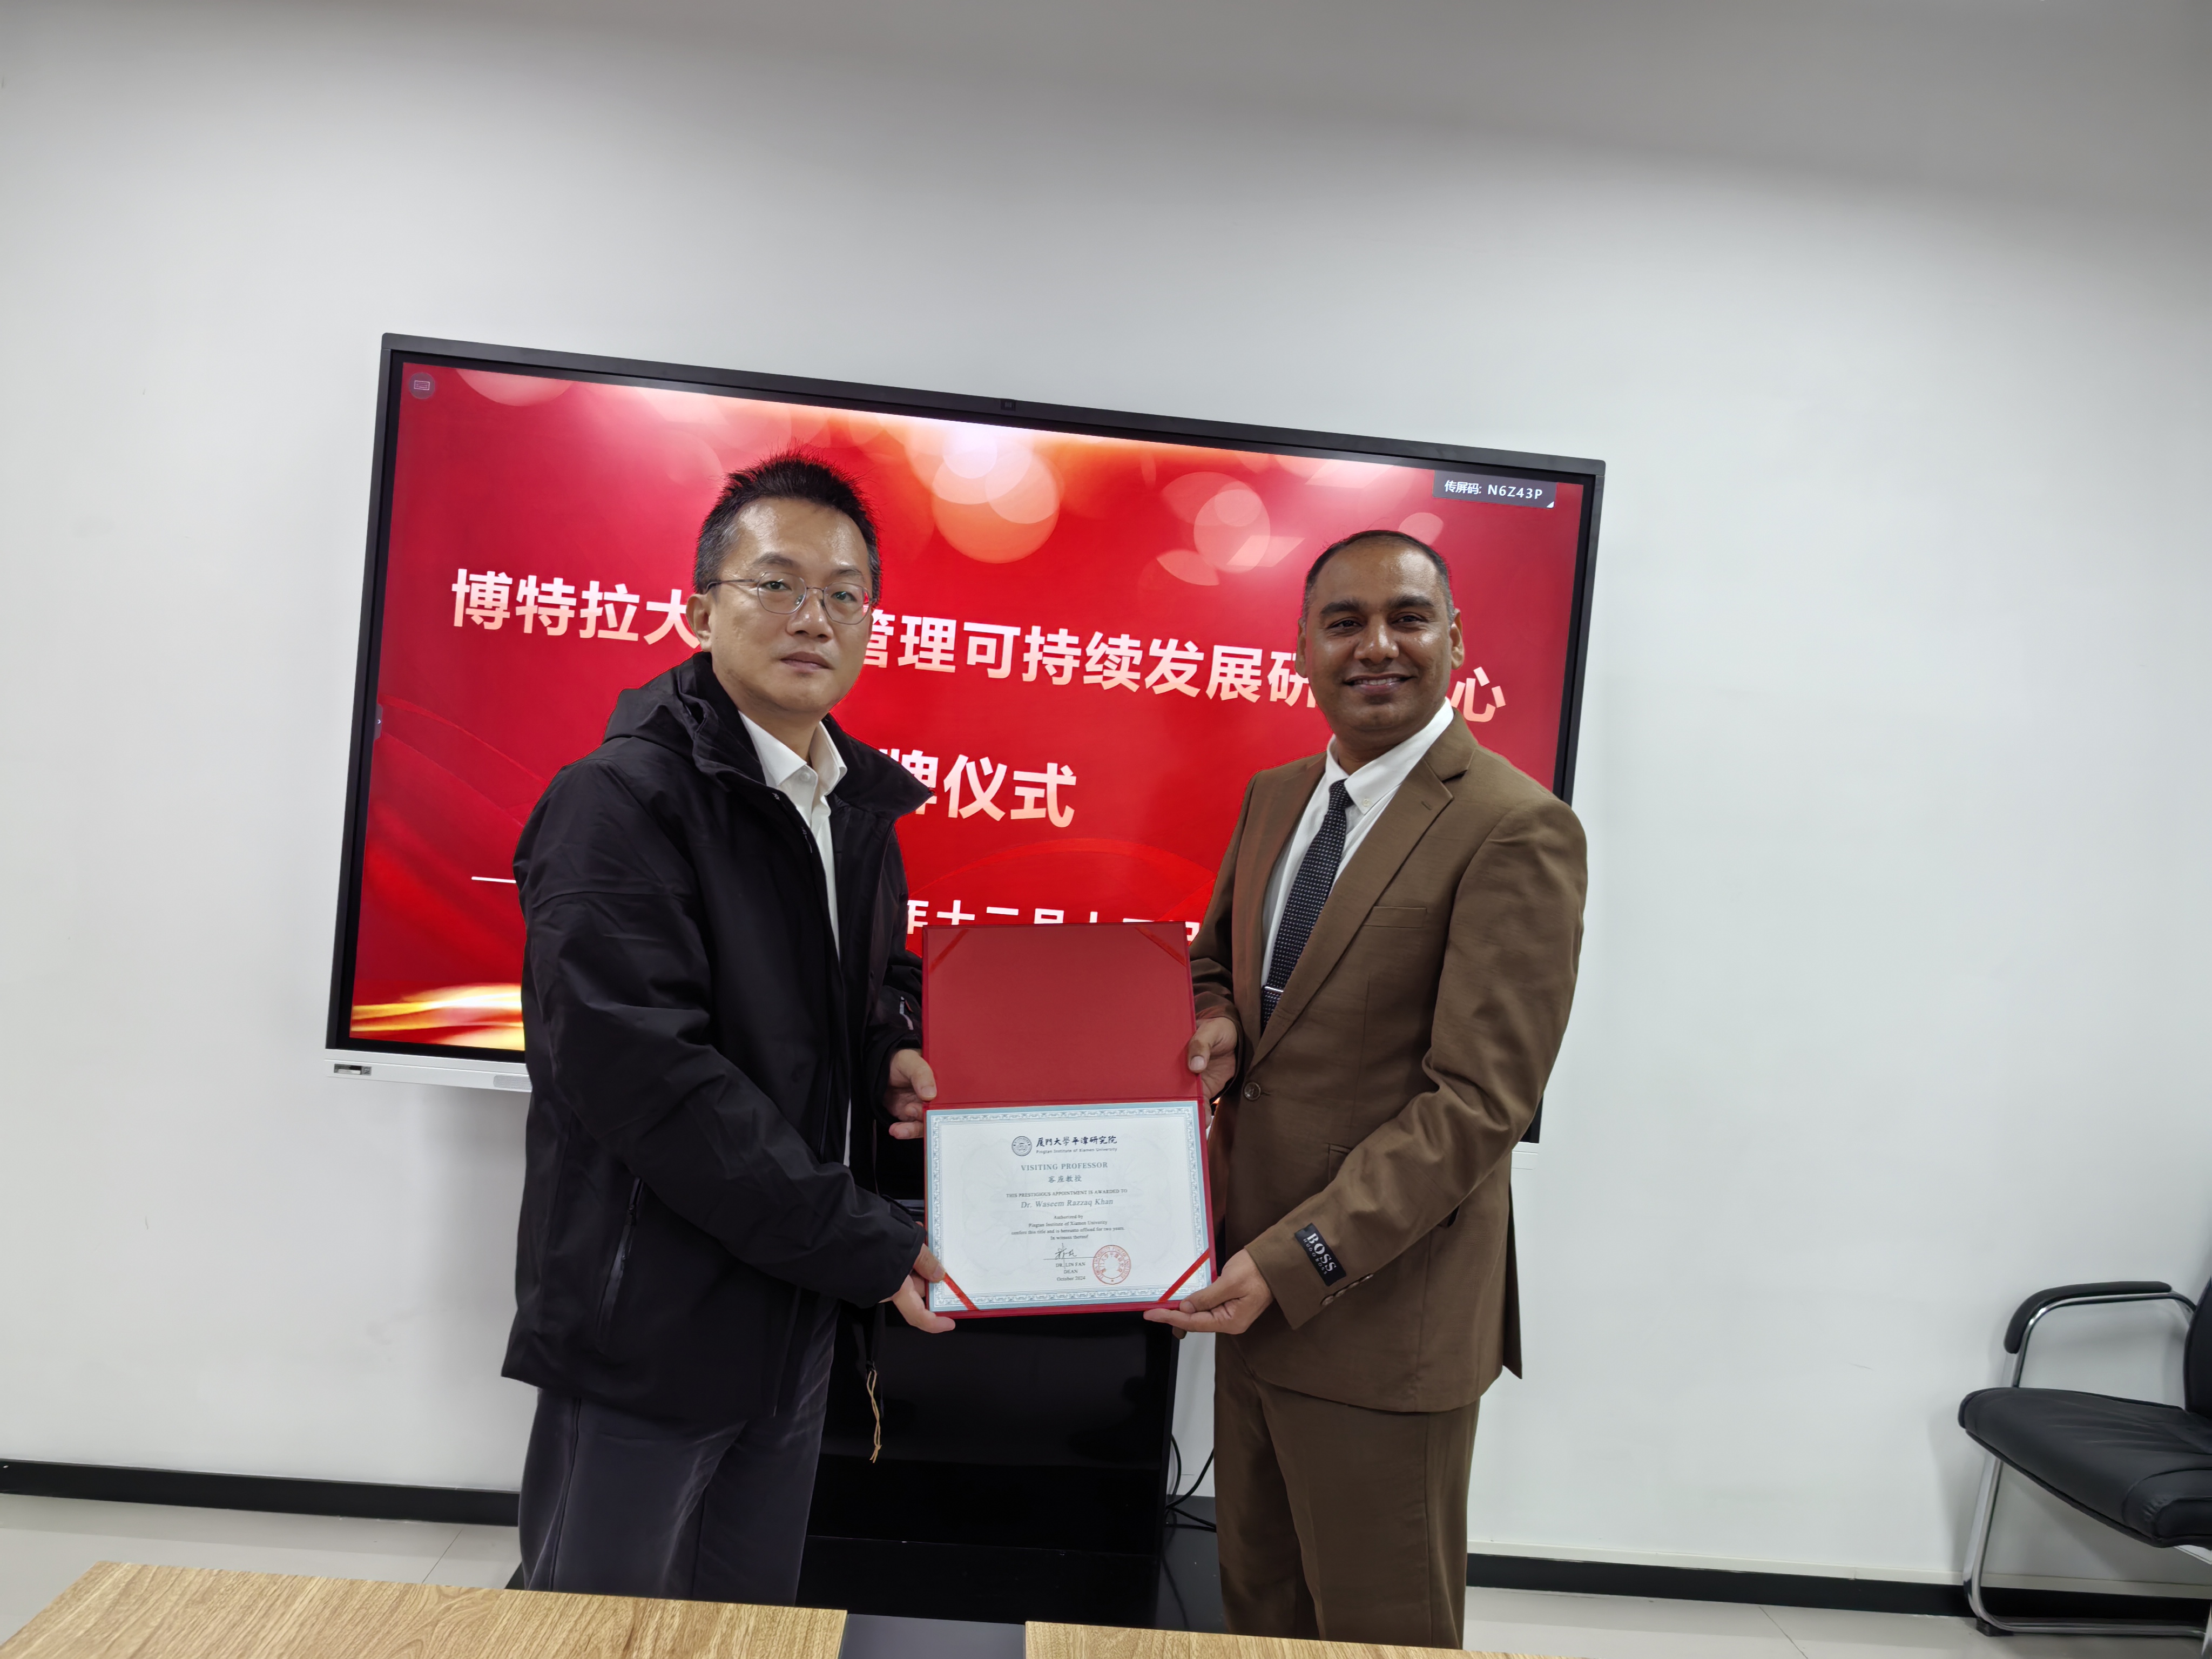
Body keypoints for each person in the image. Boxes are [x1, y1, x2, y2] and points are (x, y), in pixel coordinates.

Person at [503, 452, 954, 1607]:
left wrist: (888, 1052)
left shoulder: (852, 809)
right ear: (701, 612)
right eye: (777, 583)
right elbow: (645, 1074)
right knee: (594, 1626)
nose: (814, 617)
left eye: (845, 593)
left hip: (790, 1308)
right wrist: (858, 1238)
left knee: (744, 1623)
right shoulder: (618, 801)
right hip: (652, 1317)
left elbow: (861, 991)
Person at [1148, 530, 1587, 1650]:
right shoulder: (1276, 797)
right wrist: (1216, 1020)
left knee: (1378, 1631)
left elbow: (1478, 1105)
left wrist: (1296, 1261)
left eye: (1407, 618)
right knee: (1259, 1612)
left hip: (1379, 1314)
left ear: (1455, 641)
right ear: (1302, 647)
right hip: (1247, 1293)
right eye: (1343, 623)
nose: (1375, 646)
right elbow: (1214, 963)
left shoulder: (1515, 826)